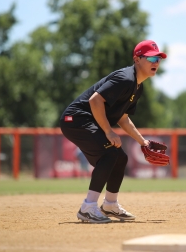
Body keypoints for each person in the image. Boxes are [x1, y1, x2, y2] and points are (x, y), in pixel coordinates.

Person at [60, 40, 167, 223]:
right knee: (109, 154)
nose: (155, 62)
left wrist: (144, 142)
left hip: (87, 121)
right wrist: (109, 132)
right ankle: (88, 207)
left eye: (158, 58)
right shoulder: (125, 78)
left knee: (120, 158)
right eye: (150, 57)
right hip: (75, 119)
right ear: (137, 59)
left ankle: (110, 204)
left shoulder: (137, 86)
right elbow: (95, 101)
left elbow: (123, 118)